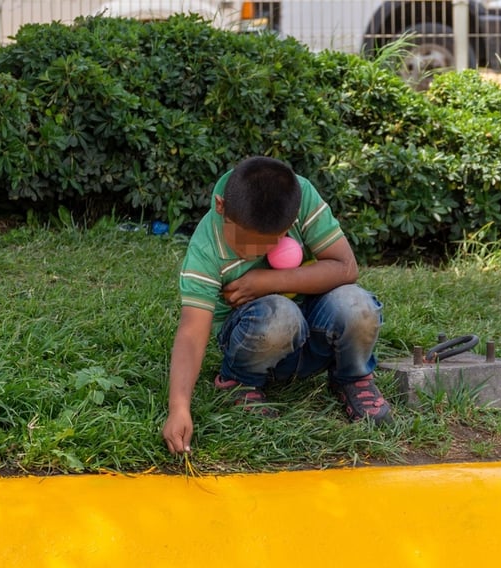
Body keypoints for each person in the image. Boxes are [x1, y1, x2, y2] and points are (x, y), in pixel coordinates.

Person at [161, 156, 392, 455]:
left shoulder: (299, 198)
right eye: (245, 241)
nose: (255, 251)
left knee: (358, 304)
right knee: (280, 314)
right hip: (258, 340)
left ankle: (352, 376)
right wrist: (179, 407)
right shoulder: (205, 250)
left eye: (271, 242)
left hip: (315, 330)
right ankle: (240, 383)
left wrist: (266, 281)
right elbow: (192, 333)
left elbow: (346, 268)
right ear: (221, 207)